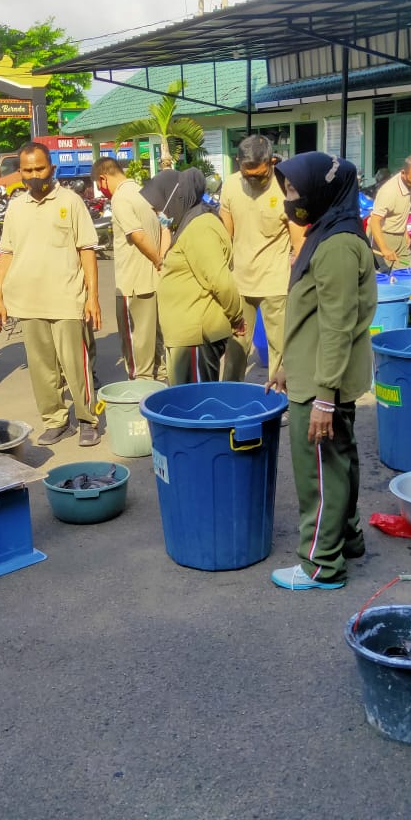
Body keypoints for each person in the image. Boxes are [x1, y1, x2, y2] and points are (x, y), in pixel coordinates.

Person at [265, 153, 378, 590]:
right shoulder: (332, 234)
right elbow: (309, 315)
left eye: (295, 191)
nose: (289, 201)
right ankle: (347, 537)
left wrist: (324, 398)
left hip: (322, 381)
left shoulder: (335, 247)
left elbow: (336, 326)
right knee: (340, 465)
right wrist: (284, 366)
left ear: (324, 190)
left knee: (319, 476)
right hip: (312, 371)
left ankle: (320, 565)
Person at [0, 142, 103, 447]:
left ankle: (87, 419)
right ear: (20, 173)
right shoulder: (16, 207)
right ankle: (55, 421)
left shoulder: (70, 201)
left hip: (66, 299)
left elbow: (87, 250)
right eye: (27, 170)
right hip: (27, 301)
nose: (33, 175)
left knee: (75, 365)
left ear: (51, 168)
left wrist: (92, 297)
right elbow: (7, 253)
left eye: (39, 168)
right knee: (42, 369)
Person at [144, 168, 246, 385]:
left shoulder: (200, 227)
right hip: (186, 336)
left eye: (159, 208)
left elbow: (221, 282)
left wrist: (236, 318)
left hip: (196, 337)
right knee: (187, 406)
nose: (158, 215)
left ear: (176, 198)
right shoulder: (188, 224)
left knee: (197, 408)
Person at [219, 135, 305, 377]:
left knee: (280, 349)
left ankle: (276, 402)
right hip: (239, 283)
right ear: (239, 163)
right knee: (236, 347)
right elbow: (225, 235)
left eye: (259, 174)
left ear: (271, 162)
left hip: (275, 283)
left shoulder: (286, 186)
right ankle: (230, 399)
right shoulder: (231, 185)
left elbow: (299, 241)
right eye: (248, 173)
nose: (253, 178)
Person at [91, 156, 165, 381]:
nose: (101, 191)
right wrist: (160, 262)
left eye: (98, 185)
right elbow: (163, 228)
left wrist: (157, 260)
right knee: (155, 346)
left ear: (103, 179)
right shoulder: (142, 192)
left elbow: (137, 235)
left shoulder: (121, 199)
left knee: (135, 350)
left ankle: (139, 397)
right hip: (153, 283)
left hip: (132, 285)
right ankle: (160, 389)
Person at [367, 154, 411, 268]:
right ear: (403, 173)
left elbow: (399, 212)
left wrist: (405, 234)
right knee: (394, 277)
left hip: (401, 237)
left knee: (407, 270)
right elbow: (375, 221)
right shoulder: (389, 192)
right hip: (385, 237)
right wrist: (384, 249)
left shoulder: (407, 183)